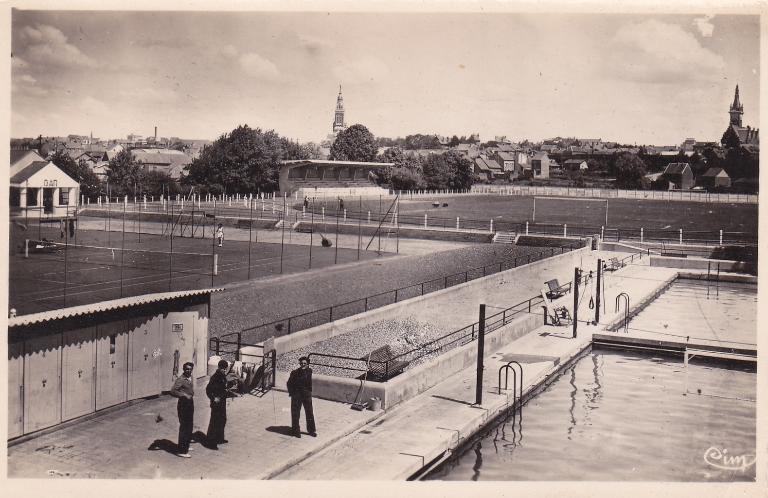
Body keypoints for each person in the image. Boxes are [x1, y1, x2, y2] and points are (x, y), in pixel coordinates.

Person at [169, 362, 195, 458]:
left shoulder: (190, 377)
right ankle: (182, 450)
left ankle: (186, 445)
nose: (189, 371)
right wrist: (184, 395)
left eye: (190, 369)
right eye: (187, 369)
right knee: (184, 426)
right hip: (183, 404)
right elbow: (173, 391)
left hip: (189, 403)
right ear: (184, 370)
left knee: (189, 425)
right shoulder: (181, 379)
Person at [287, 356, 316, 438]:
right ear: (299, 364)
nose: (303, 365)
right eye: (301, 363)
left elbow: (309, 383)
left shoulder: (309, 371)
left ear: (308, 364)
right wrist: (292, 393)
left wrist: (309, 391)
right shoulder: (294, 373)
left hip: (306, 395)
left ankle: (311, 430)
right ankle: (295, 431)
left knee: (309, 412)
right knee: (296, 413)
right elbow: (289, 383)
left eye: (305, 363)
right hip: (297, 395)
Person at [206, 359, 229, 449]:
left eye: (225, 369)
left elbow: (223, 387)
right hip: (216, 403)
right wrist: (213, 398)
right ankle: (211, 443)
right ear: (219, 368)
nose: (224, 370)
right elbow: (208, 390)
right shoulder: (215, 377)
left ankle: (220, 438)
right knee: (215, 422)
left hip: (222, 402)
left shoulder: (223, 376)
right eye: (223, 368)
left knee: (222, 420)